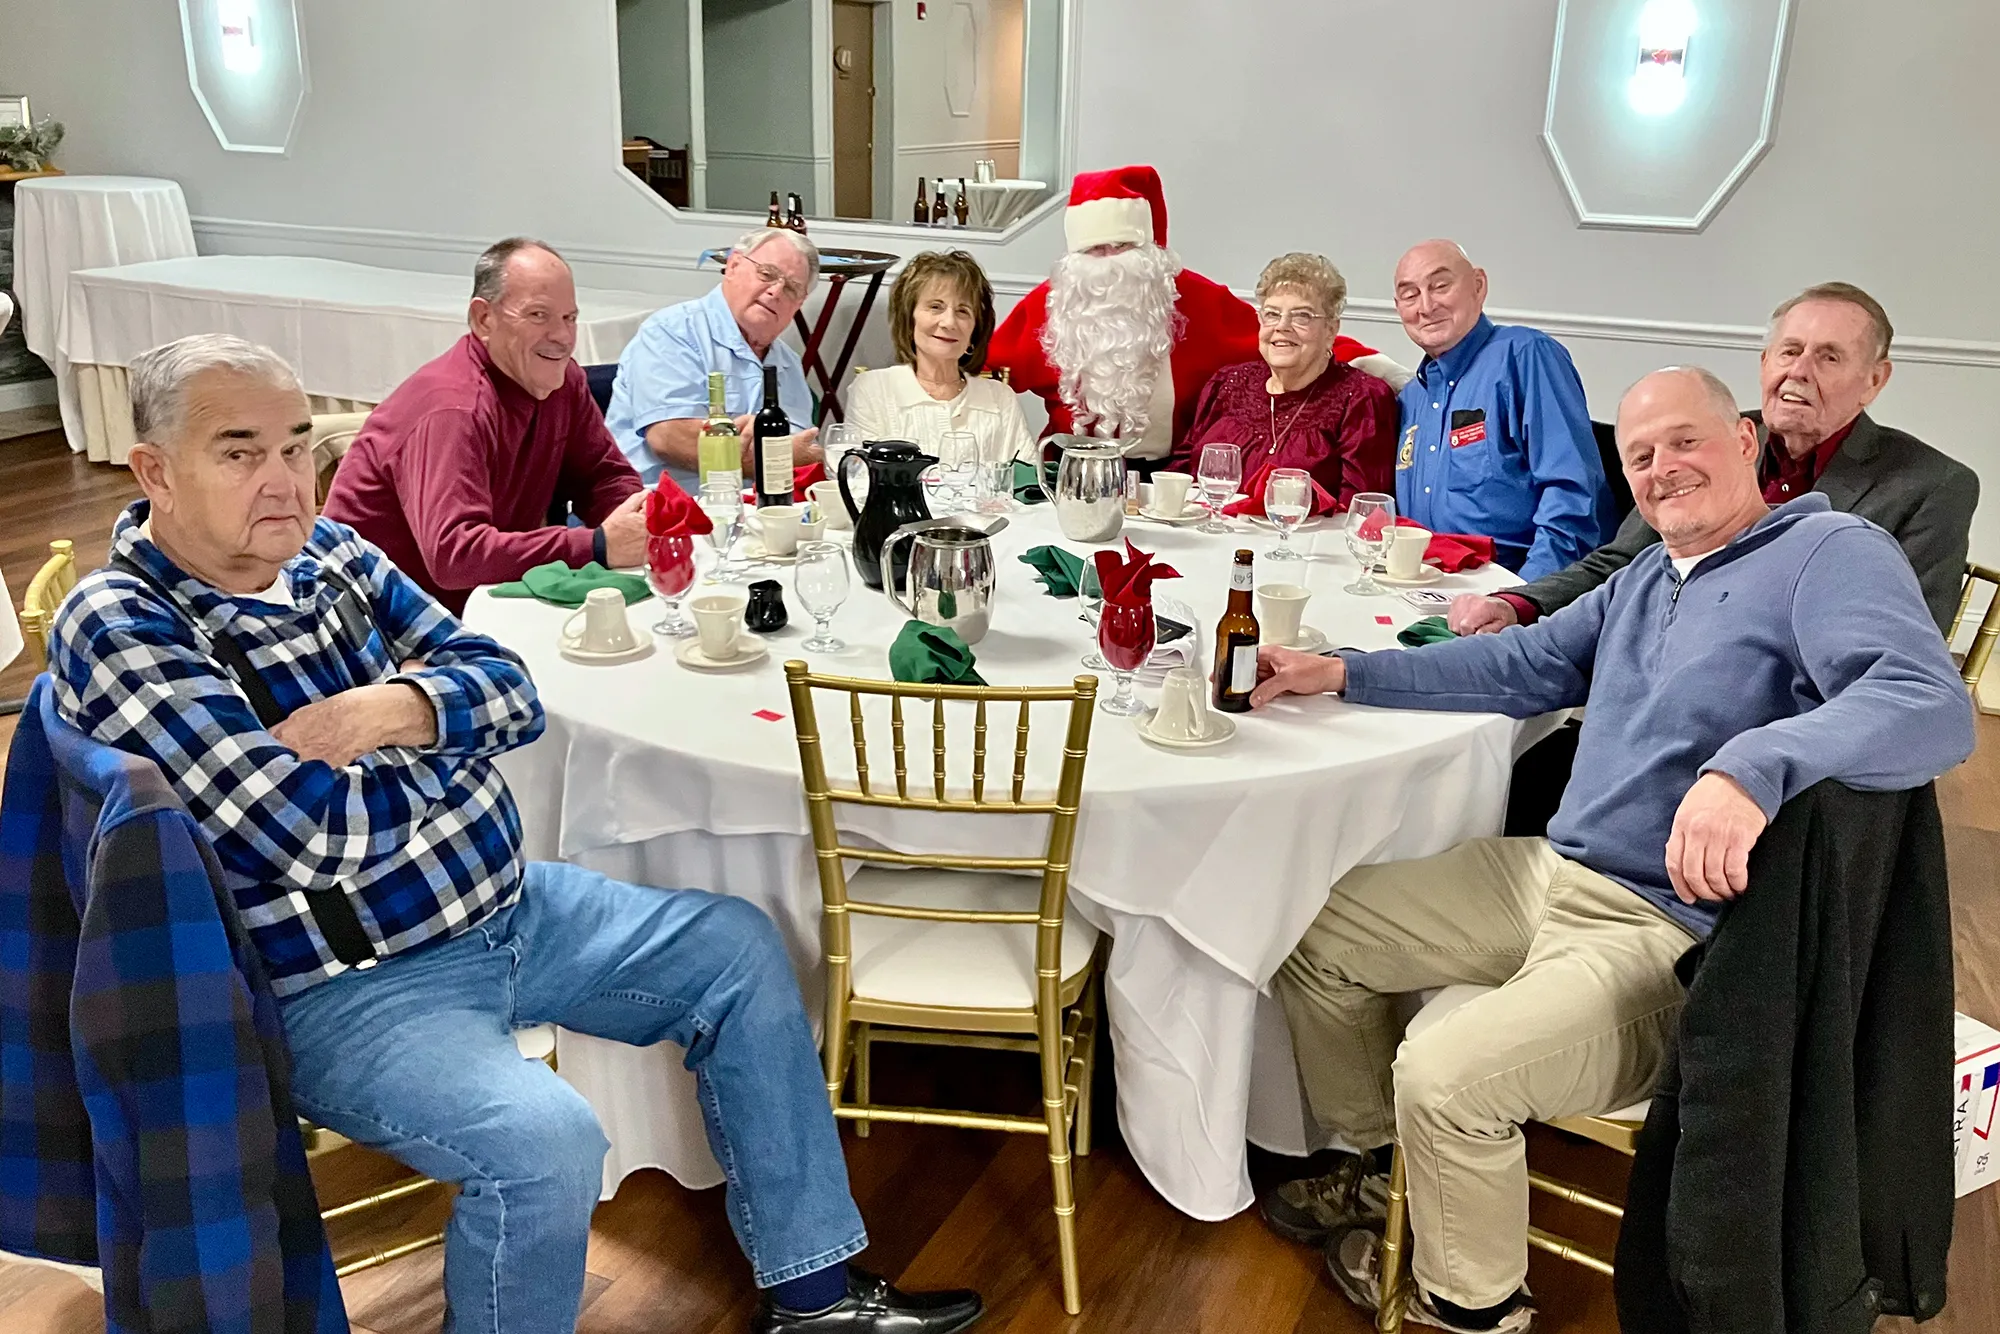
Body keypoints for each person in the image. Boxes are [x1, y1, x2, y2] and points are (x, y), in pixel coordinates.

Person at [48, 333, 983, 1334]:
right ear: (155, 471)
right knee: (544, 1144)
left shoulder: (329, 553)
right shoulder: (124, 623)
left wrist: (388, 711)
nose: (283, 481)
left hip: (508, 911)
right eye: (239, 452)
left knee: (737, 949)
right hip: (351, 985)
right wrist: (454, 752)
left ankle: (813, 1299)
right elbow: (312, 837)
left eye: (293, 447)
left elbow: (513, 692)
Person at [1247, 365, 1973, 1334]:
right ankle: (1385, 1171)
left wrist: (1751, 765)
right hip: (1555, 874)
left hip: (1672, 932)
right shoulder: (1647, 574)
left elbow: (1927, 705)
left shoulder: (1825, 549)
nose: (1662, 467)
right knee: (1313, 928)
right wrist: (1342, 671)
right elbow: (1522, 662)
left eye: (1685, 440)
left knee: (1445, 1074)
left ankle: (1472, 1307)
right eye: (1639, 455)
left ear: (1745, 440)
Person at [1448, 281, 1979, 637]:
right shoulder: (1709, 438)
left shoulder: (1930, 486)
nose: (1799, 371)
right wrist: (1518, 603)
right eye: (1790, 351)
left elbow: (1904, 647)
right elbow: (1618, 562)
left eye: (1829, 357)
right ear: (1765, 361)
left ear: (1874, 381)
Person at [985, 164, 1404, 465]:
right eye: (1095, 250)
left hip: (1170, 480)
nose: (1109, 262)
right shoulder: (1055, 303)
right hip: (1069, 476)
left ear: (1148, 250)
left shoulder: (1194, 300)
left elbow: (1283, 335)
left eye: (1122, 247)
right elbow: (981, 367)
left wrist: (1379, 367)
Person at [320, 237, 646, 616]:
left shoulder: (561, 381)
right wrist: (598, 546)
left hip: (481, 602)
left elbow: (602, 477)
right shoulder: (453, 409)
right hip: (380, 622)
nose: (562, 337)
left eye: (569, 318)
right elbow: (455, 555)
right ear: (483, 319)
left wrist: (635, 519)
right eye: (538, 315)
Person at [1391, 240, 1615, 579]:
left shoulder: (1525, 356)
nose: (1425, 306)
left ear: (1478, 286)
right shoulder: (1411, 399)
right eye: (1410, 295)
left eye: (1440, 286)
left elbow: (1572, 497)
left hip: (1513, 583)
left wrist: (1521, 596)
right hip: (1425, 586)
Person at [1171, 252, 1399, 508]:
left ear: (1331, 330)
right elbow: (1180, 475)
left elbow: (1362, 510)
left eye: (1302, 316)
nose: (1282, 326)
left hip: (1304, 535)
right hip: (1210, 529)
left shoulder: (1362, 398)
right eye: (1272, 314)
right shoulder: (1226, 384)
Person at [605, 227, 824, 491]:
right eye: (767, 274)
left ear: (799, 303)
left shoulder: (787, 362)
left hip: (755, 506)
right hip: (664, 504)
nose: (776, 291)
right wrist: (773, 458)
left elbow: (801, 449)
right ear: (733, 266)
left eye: (791, 288)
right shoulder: (673, 332)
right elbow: (670, 439)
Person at [845, 249, 1037, 462]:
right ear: (909, 319)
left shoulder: (1000, 398)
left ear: (975, 330)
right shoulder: (873, 390)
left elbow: (1026, 477)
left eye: (963, 311)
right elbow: (858, 475)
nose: (949, 322)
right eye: (935, 307)